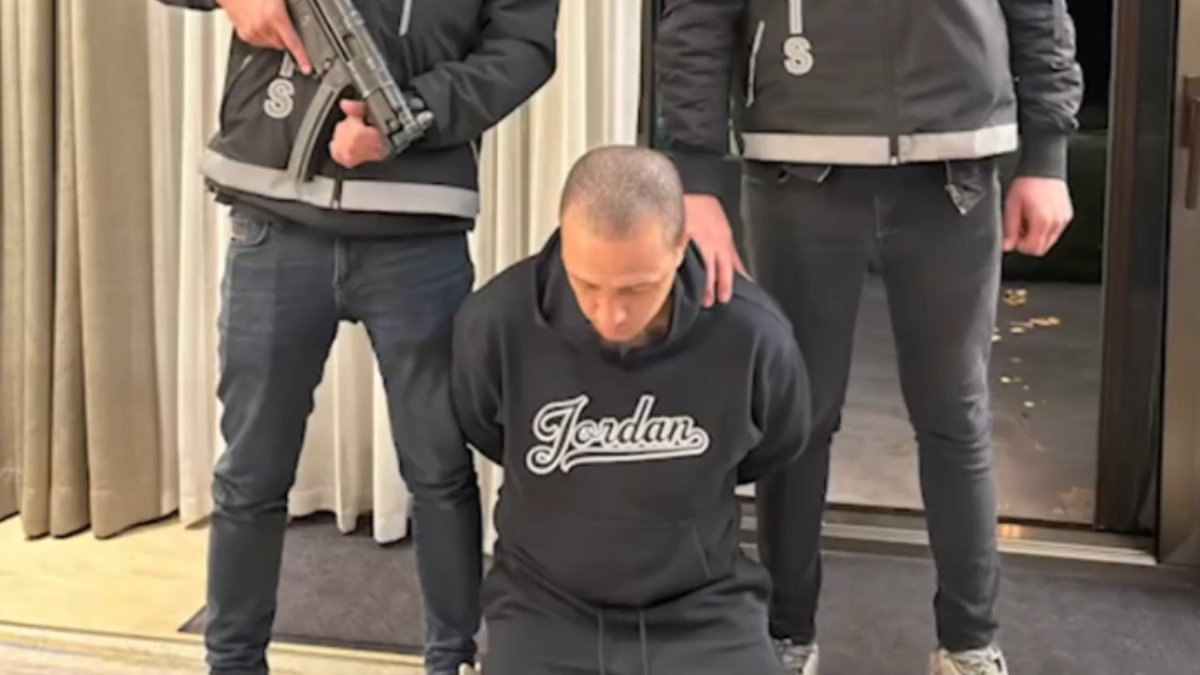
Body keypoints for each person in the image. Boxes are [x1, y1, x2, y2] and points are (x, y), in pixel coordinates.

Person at [655, 1, 1083, 674]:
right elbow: (699, 16)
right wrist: (697, 176)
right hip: (797, 161)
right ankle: (785, 636)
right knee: (798, 419)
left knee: (955, 418)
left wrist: (1047, 155)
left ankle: (969, 644)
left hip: (957, 163)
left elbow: (1039, 9)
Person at [154, 1, 559, 674]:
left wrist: (410, 116)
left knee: (438, 468)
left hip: (420, 231)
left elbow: (522, 49)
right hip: (272, 221)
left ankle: (451, 662)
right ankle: (231, 663)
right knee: (251, 472)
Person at [448, 145, 813, 675]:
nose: (611, 314)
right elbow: (484, 427)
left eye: (637, 289)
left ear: (680, 247)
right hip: (543, 601)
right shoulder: (497, 322)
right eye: (587, 285)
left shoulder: (752, 334)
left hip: (701, 602)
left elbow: (777, 446)